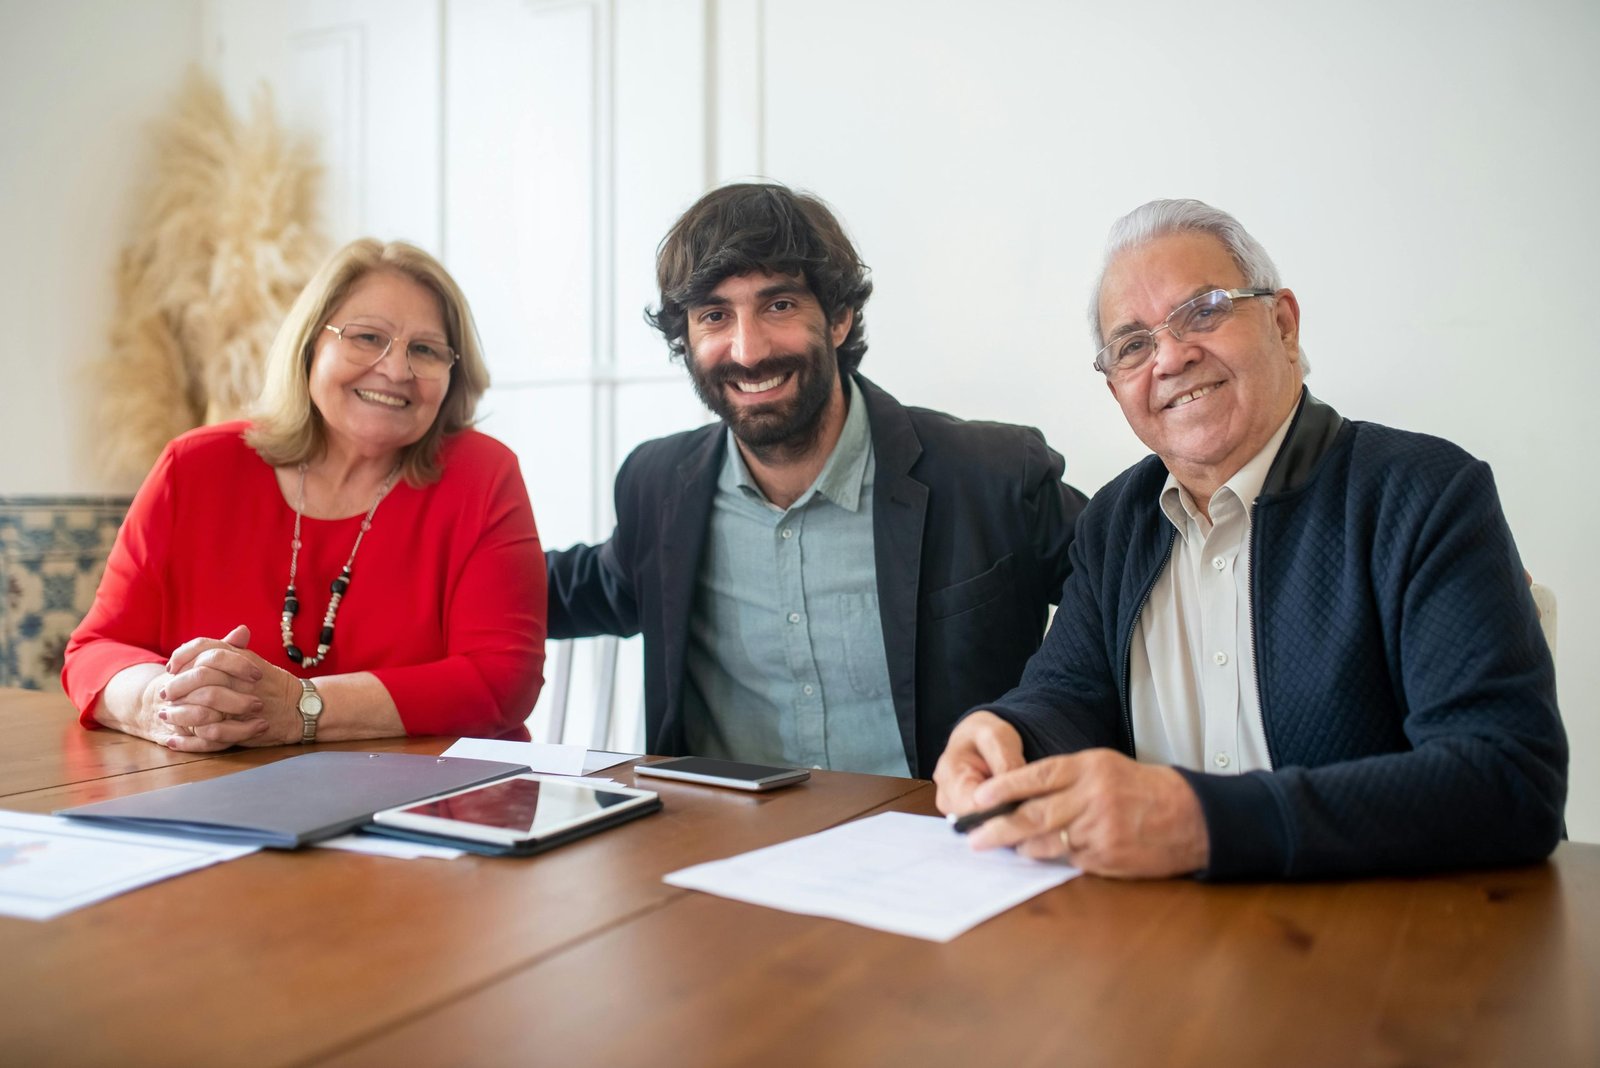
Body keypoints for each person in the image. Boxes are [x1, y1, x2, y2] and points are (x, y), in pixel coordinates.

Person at [934, 199, 1567, 879]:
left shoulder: (1424, 493)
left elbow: (1507, 779)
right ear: (1117, 387)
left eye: (1203, 310)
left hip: (1379, 943)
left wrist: (1201, 822)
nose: (1171, 357)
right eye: (1133, 345)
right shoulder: (1117, 520)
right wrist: (1006, 734)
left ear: (1283, 324)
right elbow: (1068, 693)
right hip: (1153, 943)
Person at [546, 183, 1087, 776]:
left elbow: (1125, 588)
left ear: (838, 318)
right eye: (714, 315)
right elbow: (570, 589)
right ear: (687, 339)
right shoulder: (657, 487)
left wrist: (1040, 716)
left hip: (944, 840)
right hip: (718, 848)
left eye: (778, 305)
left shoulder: (992, 474)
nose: (748, 351)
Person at [63, 239, 546, 750]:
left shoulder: (483, 475)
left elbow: (502, 679)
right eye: (367, 337)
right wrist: (162, 701)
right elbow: (96, 649)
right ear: (311, 344)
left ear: (452, 375)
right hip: (216, 794)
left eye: (425, 349)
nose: (396, 369)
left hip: (434, 805)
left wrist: (303, 707)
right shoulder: (194, 467)